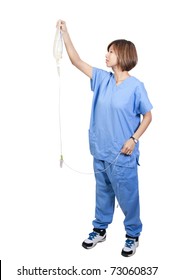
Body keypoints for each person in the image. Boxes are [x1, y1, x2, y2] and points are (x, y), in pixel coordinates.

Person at [57, 20, 153, 257]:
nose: (107, 55)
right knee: (103, 193)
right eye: (107, 51)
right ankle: (100, 229)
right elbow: (75, 60)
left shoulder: (135, 87)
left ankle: (132, 235)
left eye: (111, 51)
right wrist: (65, 33)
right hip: (100, 151)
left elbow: (148, 116)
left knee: (128, 197)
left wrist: (134, 138)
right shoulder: (102, 79)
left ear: (122, 54)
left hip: (123, 154)